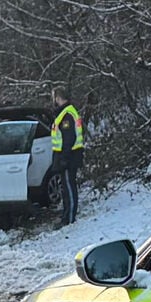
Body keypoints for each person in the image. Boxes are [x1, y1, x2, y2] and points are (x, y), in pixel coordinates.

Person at [51, 85, 84, 227]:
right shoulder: (65, 113)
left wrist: (64, 158)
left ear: (58, 97)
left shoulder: (66, 115)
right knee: (66, 186)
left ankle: (69, 217)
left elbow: (68, 139)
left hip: (69, 157)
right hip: (67, 156)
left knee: (69, 187)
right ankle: (66, 214)